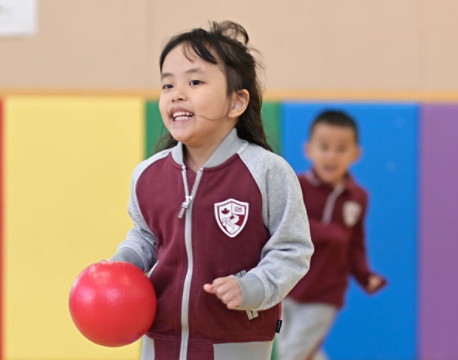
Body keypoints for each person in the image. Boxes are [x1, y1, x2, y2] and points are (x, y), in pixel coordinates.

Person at [109, 21, 313, 360]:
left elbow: (291, 249)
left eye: (195, 81)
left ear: (236, 102)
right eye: (167, 84)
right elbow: (145, 237)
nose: (177, 93)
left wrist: (252, 287)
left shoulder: (267, 172)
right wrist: (123, 263)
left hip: (237, 343)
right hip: (160, 341)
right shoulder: (147, 175)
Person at [277, 110, 387, 360]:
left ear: (355, 154)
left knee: (292, 353)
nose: (331, 155)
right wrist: (329, 233)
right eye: (324, 147)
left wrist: (364, 275)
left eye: (341, 149)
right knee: (289, 349)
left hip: (325, 293)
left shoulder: (358, 197)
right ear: (309, 150)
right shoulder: (296, 186)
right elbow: (284, 226)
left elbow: (355, 244)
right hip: (288, 286)